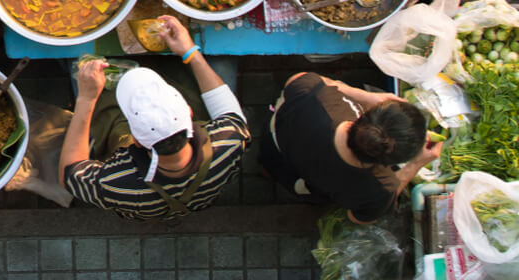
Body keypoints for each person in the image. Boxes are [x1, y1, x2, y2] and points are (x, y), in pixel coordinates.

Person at [59, 15, 249, 219]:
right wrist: (190, 52)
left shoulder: (118, 184)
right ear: (189, 111)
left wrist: (86, 99)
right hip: (200, 191)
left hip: (143, 204)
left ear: (136, 141)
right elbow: (228, 110)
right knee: (222, 60)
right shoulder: (227, 144)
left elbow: (69, 174)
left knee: (76, 62)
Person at [257, 72, 443, 223]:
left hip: (276, 146)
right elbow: (358, 218)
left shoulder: (320, 99)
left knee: (271, 163)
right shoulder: (380, 187)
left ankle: (265, 171)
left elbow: (296, 79)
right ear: (392, 161)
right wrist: (415, 165)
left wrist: (367, 96)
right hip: (304, 182)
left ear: (367, 112)